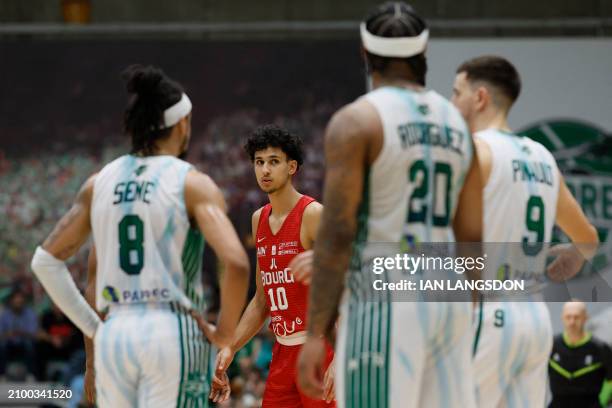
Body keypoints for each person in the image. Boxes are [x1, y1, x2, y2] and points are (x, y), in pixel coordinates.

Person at [296, 2, 483, 407]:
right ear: (424, 54)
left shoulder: (357, 121)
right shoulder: (457, 123)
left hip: (385, 296)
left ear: (365, 54)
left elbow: (339, 230)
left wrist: (314, 334)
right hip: (447, 294)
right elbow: (471, 235)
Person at [30, 65, 249, 408]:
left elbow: (46, 262)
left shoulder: (98, 183)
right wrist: (224, 335)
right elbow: (236, 262)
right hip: (171, 330)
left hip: (115, 333)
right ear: (182, 124)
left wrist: (93, 336)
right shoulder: (191, 183)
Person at [450, 55, 600, 407]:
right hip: (533, 318)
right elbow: (588, 239)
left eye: (457, 92)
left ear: (480, 97)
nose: (452, 103)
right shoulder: (543, 156)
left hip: (486, 313)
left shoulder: (475, 152)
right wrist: (575, 255)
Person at [194, 124, 335, 407]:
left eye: (273, 162)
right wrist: (230, 348)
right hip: (282, 352)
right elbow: (262, 300)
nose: (265, 170)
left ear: (292, 166)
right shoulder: (259, 219)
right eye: (259, 162)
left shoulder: (312, 214)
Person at [549, 300, 612, 408]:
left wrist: (602, 401)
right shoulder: (551, 345)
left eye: (576, 317)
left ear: (585, 318)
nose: (572, 322)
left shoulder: (600, 348)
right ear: (562, 318)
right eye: (568, 317)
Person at [0, 289, 38, 380]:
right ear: (11, 301)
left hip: (24, 341)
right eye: (16, 301)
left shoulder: (30, 314)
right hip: (9, 342)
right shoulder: (5, 314)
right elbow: (1, 334)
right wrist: (9, 334)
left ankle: (31, 374)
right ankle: (2, 374)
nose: (18, 302)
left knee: (30, 345)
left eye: (20, 301)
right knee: (1, 346)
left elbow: (33, 333)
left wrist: (21, 332)